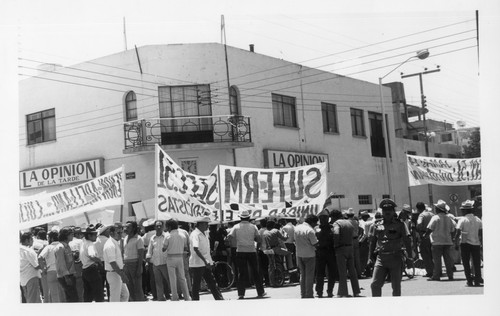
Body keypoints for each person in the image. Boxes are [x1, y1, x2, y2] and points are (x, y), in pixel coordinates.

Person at [369, 199, 411, 297]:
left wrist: (410, 258)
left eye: (390, 210)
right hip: (381, 258)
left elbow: (407, 241)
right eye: (385, 210)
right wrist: (370, 257)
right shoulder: (376, 225)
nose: (387, 212)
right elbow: (373, 241)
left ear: (393, 212)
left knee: (396, 287)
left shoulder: (400, 224)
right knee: (375, 285)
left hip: (395, 258)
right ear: (382, 212)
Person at [227, 209, 266, 299]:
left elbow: (229, 237)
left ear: (240, 218)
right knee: (255, 272)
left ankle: (241, 293)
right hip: (251, 251)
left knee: (241, 273)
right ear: (248, 218)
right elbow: (259, 239)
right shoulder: (253, 227)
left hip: (240, 251)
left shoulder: (236, 227)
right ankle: (260, 292)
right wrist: (256, 247)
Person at [189, 216, 224, 300]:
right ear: (201, 224)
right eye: (206, 224)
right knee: (196, 285)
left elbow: (204, 249)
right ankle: (195, 302)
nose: (208, 226)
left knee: (212, 283)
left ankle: (220, 300)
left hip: (205, 263)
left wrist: (209, 261)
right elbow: (195, 249)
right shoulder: (195, 234)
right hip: (197, 264)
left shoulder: (204, 233)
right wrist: (205, 261)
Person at [331, 209, 361, 298]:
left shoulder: (337, 223)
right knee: (352, 271)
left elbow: (336, 233)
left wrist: (336, 244)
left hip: (341, 248)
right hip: (350, 247)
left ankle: (343, 292)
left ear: (333, 217)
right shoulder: (349, 223)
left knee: (342, 271)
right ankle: (356, 291)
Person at [424, 199, 456, 281]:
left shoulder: (435, 218)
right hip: (447, 241)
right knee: (448, 260)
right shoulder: (449, 218)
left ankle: (436, 276)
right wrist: (451, 238)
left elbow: (430, 228)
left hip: (437, 242)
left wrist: (425, 235)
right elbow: (453, 230)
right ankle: (450, 275)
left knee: (437, 260)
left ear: (438, 209)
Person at [455, 200, 483, 287]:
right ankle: (477, 280)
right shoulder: (478, 220)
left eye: (462, 210)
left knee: (466, 263)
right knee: (476, 263)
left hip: (465, 244)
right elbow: (481, 233)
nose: (462, 211)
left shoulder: (462, 220)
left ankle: (469, 280)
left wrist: (456, 243)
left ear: (465, 210)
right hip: (476, 244)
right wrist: (480, 243)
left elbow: (458, 232)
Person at [163, 219, 192, 301]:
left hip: (171, 258)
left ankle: (175, 297)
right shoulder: (182, 235)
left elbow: (163, 249)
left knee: (172, 279)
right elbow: (186, 247)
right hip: (180, 257)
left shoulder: (167, 236)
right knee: (182, 278)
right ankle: (187, 297)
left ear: (169, 227)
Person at [103, 222, 130, 302]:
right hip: (114, 273)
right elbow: (113, 263)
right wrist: (122, 275)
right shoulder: (110, 245)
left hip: (117, 273)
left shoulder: (115, 243)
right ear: (111, 233)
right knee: (115, 298)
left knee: (125, 295)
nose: (120, 235)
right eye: (118, 233)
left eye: (121, 232)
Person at [294, 214, 319, 299]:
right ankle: (309, 294)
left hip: (299, 254)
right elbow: (315, 243)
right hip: (309, 255)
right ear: (312, 222)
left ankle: (303, 294)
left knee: (302, 275)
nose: (315, 225)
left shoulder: (296, 228)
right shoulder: (310, 230)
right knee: (309, 276)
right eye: (315, 223)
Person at [314, 209, 338, 298]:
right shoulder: (316, 228)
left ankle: (330, 291)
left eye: (325, 217)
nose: (323, 219)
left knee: (332, 273)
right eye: (322, 217)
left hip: (331, 252)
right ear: (319, 218)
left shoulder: (333, 227)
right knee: (319, 273)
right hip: (320, 252)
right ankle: (319, 291)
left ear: (328, 218)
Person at [145, 220, 171, 301]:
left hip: (165, 263)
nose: (159, 227)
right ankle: (160, 298)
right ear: (154, 227)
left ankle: (173, 296)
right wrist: (148, 259)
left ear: (163, 227)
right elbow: (150, 249)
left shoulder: (167, 236)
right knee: (158, 282)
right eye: (157, 226)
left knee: (169, 280)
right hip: (155, 263)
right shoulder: (152, 238)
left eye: (160, 225)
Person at [38, 229, 65, 303]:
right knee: (63, 294)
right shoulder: (62, 246)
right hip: (62, 272)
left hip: (51, 271)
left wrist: (44, 268)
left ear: (51, 238)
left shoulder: (48, 247)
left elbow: (40, 257)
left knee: (54, 294)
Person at [80, 225, 104, 302]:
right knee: (98, 293)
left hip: (85, 269)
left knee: (88, 293)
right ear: (89, 235)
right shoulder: (90, 244)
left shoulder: (84, 243)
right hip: (92, 269)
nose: (96, 236)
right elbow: (92, 255)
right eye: (94, 235)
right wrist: (99, 261)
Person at [122, 221, 145, 301]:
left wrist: (139, 268)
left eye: (128, 227)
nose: (126, 229)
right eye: (125, 227)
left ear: (134, 228)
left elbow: (141, 255)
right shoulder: (125, 238)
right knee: (129, 287)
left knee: (137, 287)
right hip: (126, 265)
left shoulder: (139, 239)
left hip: (135, 265)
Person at [54, 227, 79, 302]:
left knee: (71, 298)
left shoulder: (67, 246)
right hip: (66, 276)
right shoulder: (60, 247)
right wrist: (66, 278)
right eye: (71, 234)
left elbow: (68, 260)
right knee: (73, 298)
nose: (73, 236)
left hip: (70, 275)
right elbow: (61, 264)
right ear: (65, 235)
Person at [263, 219, 289, 287]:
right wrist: (286, 234)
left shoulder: (265, 232)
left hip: (268, 250)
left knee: (271, 266)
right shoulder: (275, 230)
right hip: (276, 249)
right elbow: (284, 239)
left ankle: (271, 281)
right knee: (284, 258)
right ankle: (283, 274)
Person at [20, 232, 42, 303]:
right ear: (27, 240)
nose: (33, 241)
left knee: (28, 299)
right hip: (31, 278)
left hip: (23, 279)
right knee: (34, 300)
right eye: (31, 239)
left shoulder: (19, 249)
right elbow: (36, 266)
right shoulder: (28, 251)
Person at [416, 202, 434, 277]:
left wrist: (419, 230)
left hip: (424, 236)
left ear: (418, 209)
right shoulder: (432, 214)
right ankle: (436, 270)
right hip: (433, 236)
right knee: (432, 254)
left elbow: (419, 224)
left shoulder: (422, 215)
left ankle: (430, 271)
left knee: (425, 254)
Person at [94, 224, 111, 301]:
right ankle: (110, 300)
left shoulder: (95, 241)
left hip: (98, 264)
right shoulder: (108, 240)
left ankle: (100, 301)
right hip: (107, 264)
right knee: (109, 284)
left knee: (99, 285)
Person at [346, 208, 362, 278]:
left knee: (350, 257)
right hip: (356, 239)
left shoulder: (346, 222)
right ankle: (359, 273)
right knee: (357, 257)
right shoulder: (356, 222)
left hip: (349, 240)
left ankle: (350, 273)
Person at [69, 227, 84, 302]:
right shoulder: (80, 241)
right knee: (80, 288)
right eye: (81, 234)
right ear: (78, 234)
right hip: (78, 266)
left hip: (69, 268)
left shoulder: (69, 242)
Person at [358, 211, 371, 277]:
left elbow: (364, 234)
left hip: (364, 242)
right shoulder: (370, 222)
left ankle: (365, 270)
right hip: (368, 241)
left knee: (364, 257)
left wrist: (360, 241)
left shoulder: (364, 223)